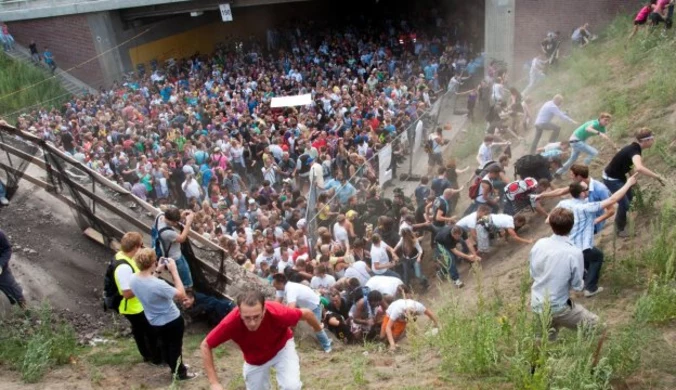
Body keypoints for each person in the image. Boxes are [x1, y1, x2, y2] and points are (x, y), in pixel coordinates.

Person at [201, 290, 326, 390]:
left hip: (281, 348)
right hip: (255, 359)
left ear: (264, 310)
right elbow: (206, 345)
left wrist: (318, 329)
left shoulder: (279, 312)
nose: (252, 323)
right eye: (247, 318)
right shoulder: (230, 323)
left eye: (256, 317)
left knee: (291, 386)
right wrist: (214, 383)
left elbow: (307, 314)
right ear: (239, 312)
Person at [553, 174, 638, 297]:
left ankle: (584, 281)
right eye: (586, 190)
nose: (588, 191)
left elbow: (548, 220)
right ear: (582, 194)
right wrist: (628, 183)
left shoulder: (563, 204)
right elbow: (613, 200)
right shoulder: (586, 208)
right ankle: (590, 288)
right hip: (582, 245)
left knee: (584, 261)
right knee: (597, 256)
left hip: (567, 244)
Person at [530, 207, 599, 341]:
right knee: (596, 325)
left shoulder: (539, 244)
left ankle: (539, 359)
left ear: (550, 224)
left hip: (537, 302)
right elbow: (577, 285)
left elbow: (533, 272)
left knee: (544, 339)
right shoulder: (574, 252)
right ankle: (586, 354)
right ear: (572, 226)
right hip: (559, 305)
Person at [129, 248, 197, 380]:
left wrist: (158, 270)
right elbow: (181, 294)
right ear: (153, 262)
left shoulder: (133, 279)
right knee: (175, 346)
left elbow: (147, 282)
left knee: (165, 344)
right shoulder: (158, 285)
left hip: (154, 320)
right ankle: (180, 373)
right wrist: (174, 271)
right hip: (171, 319)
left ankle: (173, 365)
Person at [603, 128, 664, 237]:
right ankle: (619, 230)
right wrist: (657, 177)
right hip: (611, 179)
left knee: (630, 197)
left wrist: (632, 179)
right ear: (645, 141)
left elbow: (629, 164)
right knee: (625, 205)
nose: (653, 141)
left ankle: (621, 220)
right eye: (652, 139)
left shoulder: (634, 148)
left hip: (619, 176)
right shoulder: (635, 152)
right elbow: (639, 168)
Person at [111, 232, 161, 365]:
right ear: (136, 247)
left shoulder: (125, 257)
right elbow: (126, 293)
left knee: (141, 331)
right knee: (151, 332)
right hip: (133, 307)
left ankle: (148, 356)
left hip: (137, 305)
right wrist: (146, 284)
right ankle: (155, 358)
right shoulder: (123, 267)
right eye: (141, 245)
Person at [537, 164, 614, 233]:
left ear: (579, 176)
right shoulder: (580, 184)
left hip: (592, 224)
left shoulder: (600, 189)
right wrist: (542, 195)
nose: (571, 177)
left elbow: (611, 210)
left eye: (572, 175)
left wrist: (597, 220)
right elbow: (561, 191)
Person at [271, 273, 333, 353]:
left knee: (315, 327)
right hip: (304, 306)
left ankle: (327, 346)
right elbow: (276, 303)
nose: (273, 285)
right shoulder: (280, 289)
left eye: (274, 283)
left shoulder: (291, 289)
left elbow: (291, 308)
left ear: (280, 283)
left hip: (315, 306)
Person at [556, 113, 616, 177]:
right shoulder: (594, 123)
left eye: (608, 121)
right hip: (576, 140)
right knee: (594, 153)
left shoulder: (602, 128)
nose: (606, 122)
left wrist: (614, 146)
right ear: (600, 119)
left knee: (572, 159)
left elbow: (606, 137)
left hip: (576, 141)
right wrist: (599, 133)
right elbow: (588, 128)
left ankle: (557, 173)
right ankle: (582, 170)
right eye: (605, 120)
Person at [156, 207, 194, 289]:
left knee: (175, 275)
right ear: (170, 220)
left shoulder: (160, 216)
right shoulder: (167, 233)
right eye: (175, 222)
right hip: (175, 258)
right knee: (185, 280)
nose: (176, 224)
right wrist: (188, 223)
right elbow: (182, 238)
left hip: (165, 252)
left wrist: (181, 216)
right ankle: (186, 293)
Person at [0, 229, 26, 308]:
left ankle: (27, 313)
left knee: (16, 293)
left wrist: (0, 264)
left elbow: (7, 249)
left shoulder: (0, 234)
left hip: (2, 272)